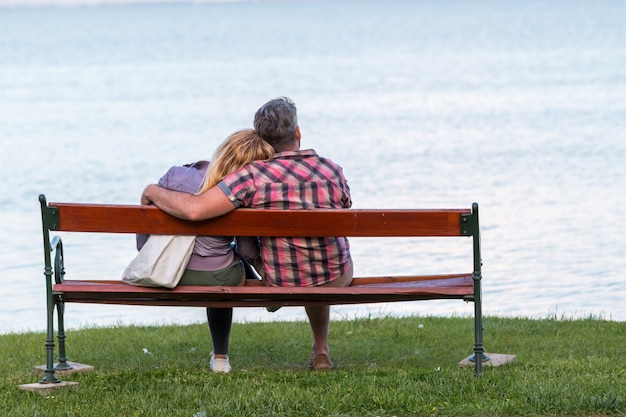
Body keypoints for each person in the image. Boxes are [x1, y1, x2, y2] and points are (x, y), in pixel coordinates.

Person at [141, 97, 353, 371]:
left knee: (296, 258)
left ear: (261, 139)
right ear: (297, 134)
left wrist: (152, 191)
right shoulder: (332, 170)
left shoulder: (252, 176)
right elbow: (346, 207)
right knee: (316, 250)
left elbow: (195, 210)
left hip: (282, 281)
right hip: (335, 277)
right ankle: (321, 350)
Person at [138, 129, 274, 373]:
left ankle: (261, 291)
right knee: (229, 264)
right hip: (217, 277)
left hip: (168, 272)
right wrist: (260, 264)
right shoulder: (243, 192)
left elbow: (145, 232)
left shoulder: (175, 176)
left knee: (225, 260)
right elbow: (245, 248)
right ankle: (220, 358)